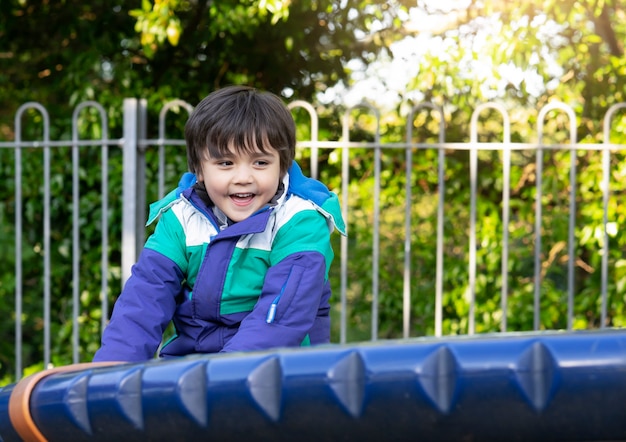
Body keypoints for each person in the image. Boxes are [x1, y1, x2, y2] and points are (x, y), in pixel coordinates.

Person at [93, 85, 346, 362]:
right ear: (199, 170)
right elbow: (144, 299)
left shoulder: (300, 221)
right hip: (192, 368)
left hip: (280, 372)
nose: (243, 177)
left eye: (260, 162)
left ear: (282, 165)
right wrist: (112, 369)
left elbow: (281, 316)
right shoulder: (181, 218)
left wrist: (220, 377)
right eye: (226, 163)